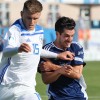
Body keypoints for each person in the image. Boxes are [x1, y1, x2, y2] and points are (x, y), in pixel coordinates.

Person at [0, 1, 74, 100]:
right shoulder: (15, 30)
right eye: (29, 18)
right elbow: (6, 52)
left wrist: (58, 55)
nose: (32, 22)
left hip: (27, 87)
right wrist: (18, 49)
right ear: (22, 14)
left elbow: (37, 50)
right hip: (7, 84)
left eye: (35, 18)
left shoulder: (39, 30)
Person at [39, 17, 88, 100]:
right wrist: (60, 70)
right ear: (57, 34)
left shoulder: (76, 47)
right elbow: (46, 80)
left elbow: (77, 74)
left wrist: (54, 67)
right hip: (56, 97)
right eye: (66, 36)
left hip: (79, 96)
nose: (70, 39)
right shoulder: (46, 50)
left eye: (72, 36)